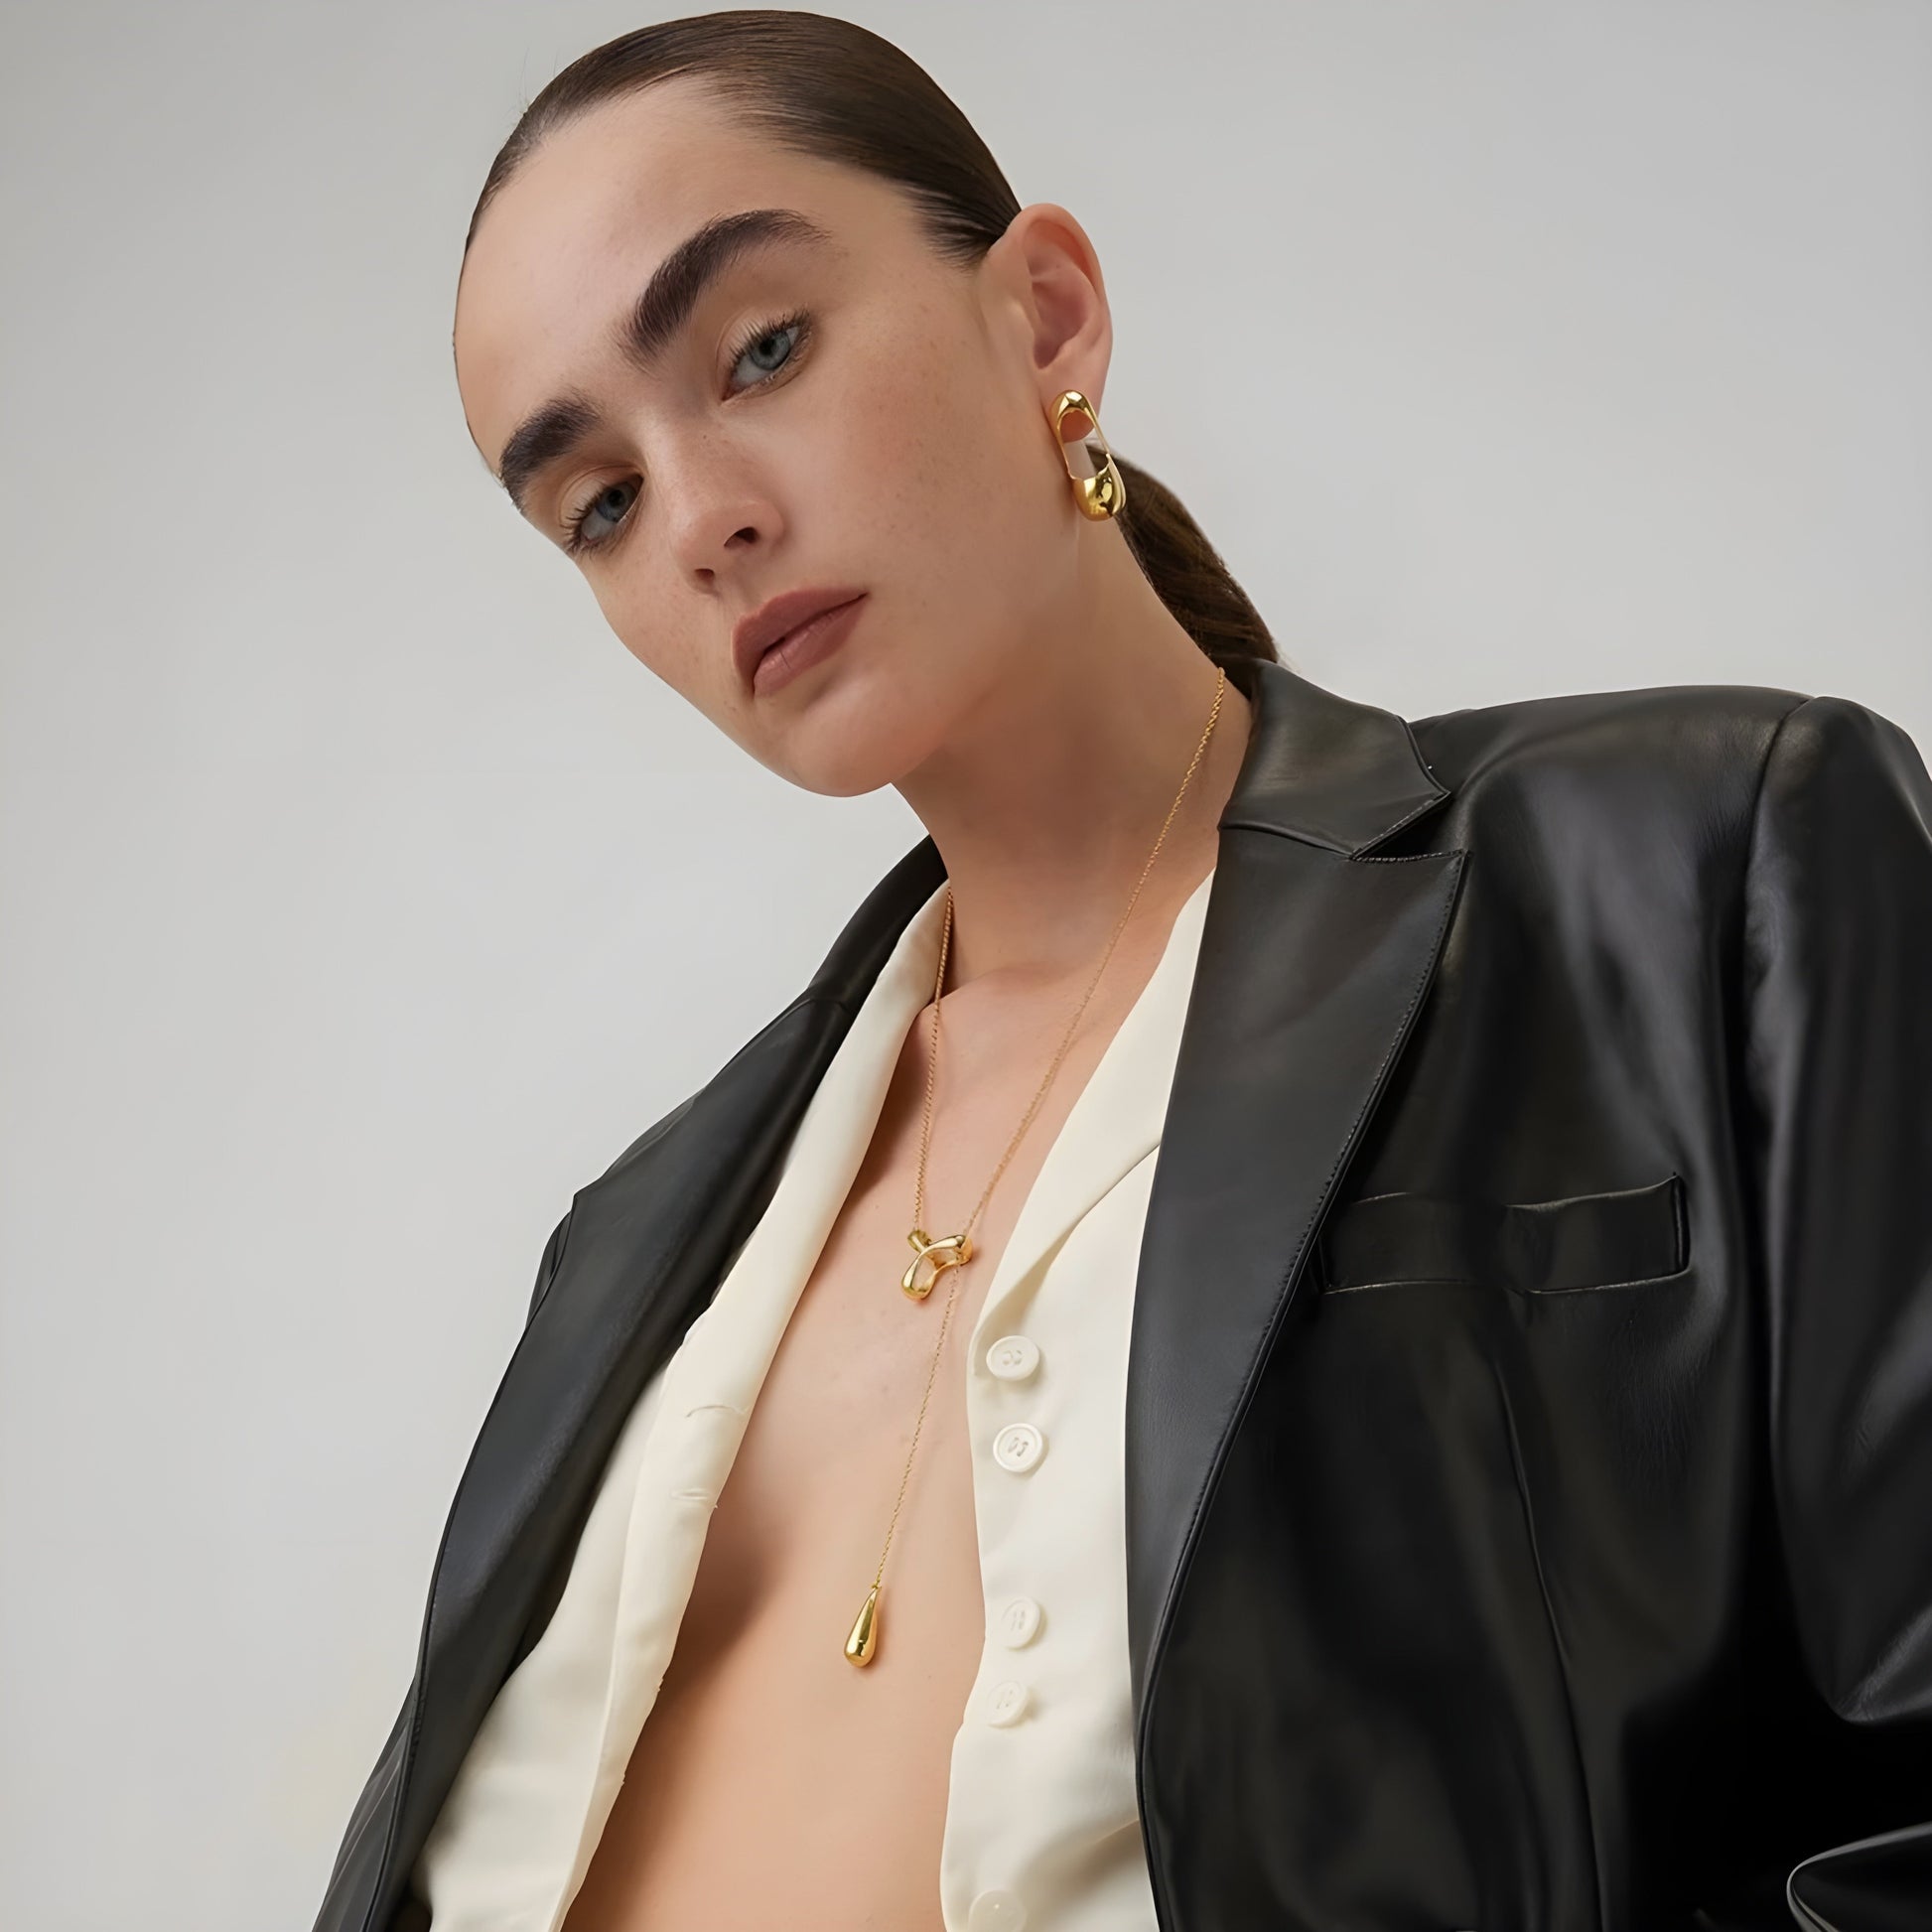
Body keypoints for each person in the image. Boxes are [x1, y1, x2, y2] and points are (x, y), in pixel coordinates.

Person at [311, 12, 1932, 1932]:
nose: (703, 520)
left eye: (760, 350)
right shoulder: (632, 1240)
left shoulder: (1693, 869)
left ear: (1047, 318)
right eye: (599, 503)